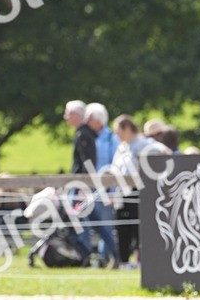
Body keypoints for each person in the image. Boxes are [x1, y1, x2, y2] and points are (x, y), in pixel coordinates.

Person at [111, 114, 170, 266]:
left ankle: (141, 261)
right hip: (122, 193)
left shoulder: (144, 143)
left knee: (139, 228)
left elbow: (165, 152)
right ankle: (124, 262)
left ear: (126, 128)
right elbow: (114, 170)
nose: (117, 135)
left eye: (118, 131)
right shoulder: (122, 148)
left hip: (139, 192)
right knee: (122, 228)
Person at [85, 101, 120, 267]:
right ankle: (91, 256)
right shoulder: (88, 137)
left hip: (106, 189)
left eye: (89, 118)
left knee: (106, 224)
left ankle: (105, 257)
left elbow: (115, 165)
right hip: (90, 187)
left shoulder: (112, 139)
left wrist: (113, 191)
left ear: (98, 120)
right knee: (90, 224)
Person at [62, 100, 96, 260]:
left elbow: (87, 162)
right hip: (80, 183)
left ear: (77, 115)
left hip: (81, 184)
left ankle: (85, 254)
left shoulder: (83, 134)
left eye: (68, 113)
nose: (65, 117)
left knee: (80, 220)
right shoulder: (83, 133)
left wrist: (84, 186)